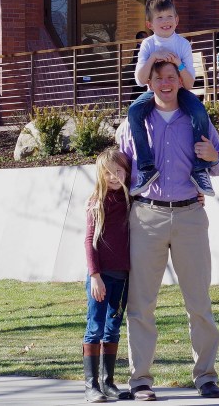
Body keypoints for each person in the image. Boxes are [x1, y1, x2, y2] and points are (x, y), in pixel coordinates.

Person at [116, 59, 219, 401]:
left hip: (190, 216)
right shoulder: (132, 124)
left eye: (171, 77)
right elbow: (116, 173)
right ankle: (141, 381)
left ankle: (206, 377)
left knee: (199, 304)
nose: (165, 83)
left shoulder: (197, 118)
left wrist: (212, 155)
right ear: (148, 83)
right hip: (146, 217)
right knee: (141, 305)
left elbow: (218, 165)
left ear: (181, 81)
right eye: (158, 78)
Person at [127, 0, 215, 197]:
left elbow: (190, 83)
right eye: (159, 18)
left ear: (177, 20)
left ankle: (200, 169)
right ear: (149, 23)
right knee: (134, 112)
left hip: (180, 91)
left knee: (199, 111)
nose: (165, 22)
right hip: (153, 92)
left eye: (169, 17)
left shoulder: (182, 44)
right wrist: (152, 59)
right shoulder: (148, 44)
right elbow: (140, 80)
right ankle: (146, 166)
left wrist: (178, 63)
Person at [81, 149, 134, 403]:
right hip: (100, 279)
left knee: (112, 330)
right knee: (95, 328)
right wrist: (95, 275)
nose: (114, 177)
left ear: (127, 172)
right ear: (100, 175)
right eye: (108, 173)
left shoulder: (130, 199)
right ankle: (91, 386)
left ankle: (108, 382)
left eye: (119, 172)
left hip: (122, 279)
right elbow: (89, 241)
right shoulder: (97, 201)